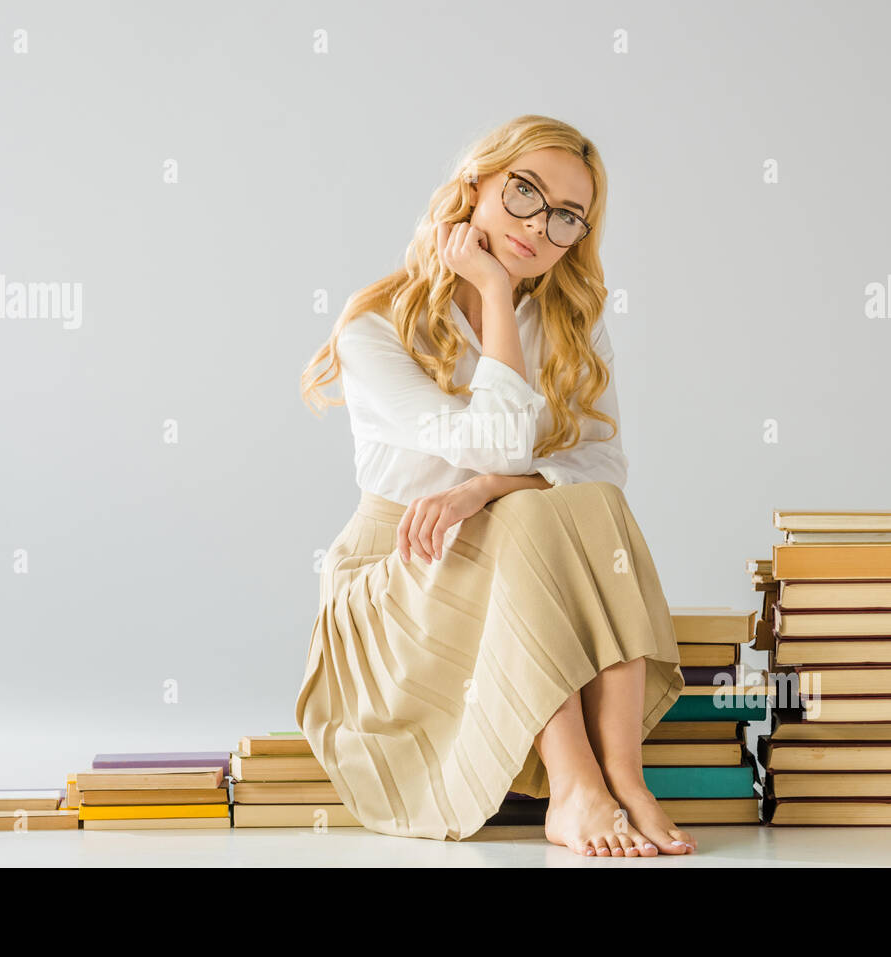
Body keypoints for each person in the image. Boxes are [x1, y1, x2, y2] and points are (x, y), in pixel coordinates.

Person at [296, 114, 695, 857]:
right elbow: (494, 440)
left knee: (578, 504)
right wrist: (492, 287)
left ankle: (624, 777)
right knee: (533, 514)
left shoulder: (574, 317)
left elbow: (603, 463)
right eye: (524, 193)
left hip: (516, 549)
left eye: (565, 216)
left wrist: (482, 491)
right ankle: (575, 785)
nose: (538, 226)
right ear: (475, 185)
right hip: (400, 574)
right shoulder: (376, 325)